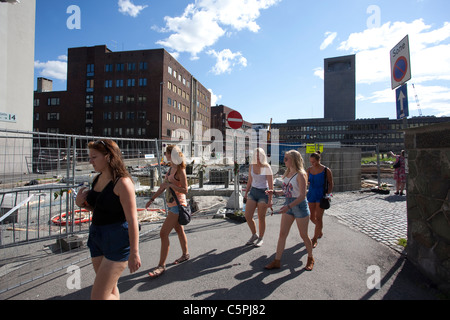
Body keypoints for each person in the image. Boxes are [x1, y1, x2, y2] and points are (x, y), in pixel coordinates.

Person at [75, 139, 141, 300]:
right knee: (110, 290)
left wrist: (134, 252)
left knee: (98, 297)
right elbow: (100, 210)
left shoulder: (123, 183)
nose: (90, 161)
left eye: (94, 157)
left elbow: (132, 220)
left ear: (108, 157)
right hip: (97, 237)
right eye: (89, 157)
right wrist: (81, 204)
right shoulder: (97, 179)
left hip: (117, 240)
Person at [265, 150, 314, 271]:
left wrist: (288, 206)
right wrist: (275, 192)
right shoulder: (287, 173)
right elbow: (287, 191)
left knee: (304, 235)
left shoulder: (300, 174)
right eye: (285, 158)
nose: (284, 160)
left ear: (293, 160)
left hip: (299, 206)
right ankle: (277, 260)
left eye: (287, 158)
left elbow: (302, 195)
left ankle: (310, 257)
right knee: (282, 234)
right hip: (289, 204)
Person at [146, 145, 189, 278]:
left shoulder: (180, 170)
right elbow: (162, 187)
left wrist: (171, 185)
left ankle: (161, 265)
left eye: (167, 153)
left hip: (178, 205)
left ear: (172, 155)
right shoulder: (171, 169)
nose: (165, 154)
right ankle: (185, 254)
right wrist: (152, 199)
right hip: (171, 205)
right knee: (179, 230)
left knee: (163, 233)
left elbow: (185, 190)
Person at [243, 148, 274, 247]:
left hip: (263, 193)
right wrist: (246, 192)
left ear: (263, 156)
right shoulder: (251, 166)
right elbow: (250, 180)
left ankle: (260, 238)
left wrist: (270, 199)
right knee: (248, 216)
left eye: (259, 155)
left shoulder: (267, 167)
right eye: (255, 155)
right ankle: (254, 234)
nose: (257, 157)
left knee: (261, 217)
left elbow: (271, 185)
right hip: (253, 191)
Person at [307, 151, 333, 249]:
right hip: (311, 194)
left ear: (319, 160)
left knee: (319, 218)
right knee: (311, 217)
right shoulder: (309, 170)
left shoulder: (326, 170)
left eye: (314, 162)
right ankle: (319, 230)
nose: (312, 163)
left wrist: (328, 195)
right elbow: (305, 181)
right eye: (311, 162)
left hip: (321, 195)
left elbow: (331, 183)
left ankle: (315, 239)